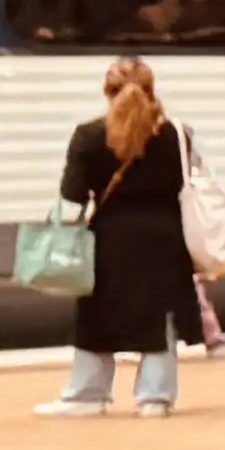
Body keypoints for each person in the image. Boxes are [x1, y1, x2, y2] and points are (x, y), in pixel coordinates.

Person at [44, 57, 199, 414]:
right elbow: (186, 182)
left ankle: (88, 395)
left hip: (110, 239)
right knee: (159, 317)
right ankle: (154, 399)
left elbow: (73, 194)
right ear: (151, 89)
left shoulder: (89, 135)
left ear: (106, 90)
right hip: (164, 237)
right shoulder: (177, 135)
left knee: (97, 316)